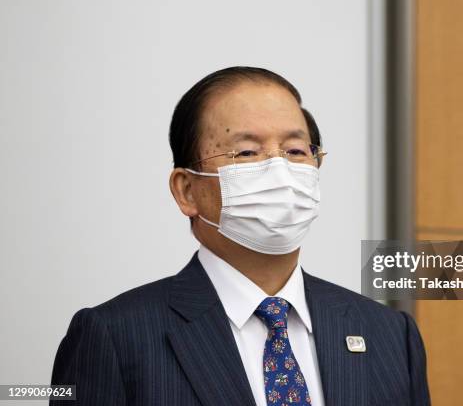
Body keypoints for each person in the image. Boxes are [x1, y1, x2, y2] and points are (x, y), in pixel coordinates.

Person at [50, 66, 431, 406]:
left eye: (296, 150)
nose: (279, 169)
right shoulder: (114, 337)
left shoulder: (389, 334)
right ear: (187, 191)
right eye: (247, 152)